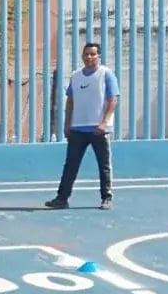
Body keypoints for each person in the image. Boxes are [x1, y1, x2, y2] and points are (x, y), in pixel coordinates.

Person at [45, 42, 119, 211]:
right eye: (86, 54)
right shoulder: (76, 75)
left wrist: (104, 122)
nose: (89, 57)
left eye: (93, 54)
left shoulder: (106, 74)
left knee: (104, 165)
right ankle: (62, 198)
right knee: (70, 165)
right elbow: (70, 100)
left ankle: (106, 198)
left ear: (98, 56)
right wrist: (67, 124)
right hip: (78, 128)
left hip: (98, 129)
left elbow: (113, 99)